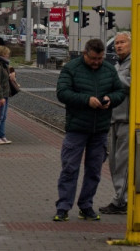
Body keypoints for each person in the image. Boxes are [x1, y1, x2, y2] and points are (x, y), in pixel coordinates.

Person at [53, 38, 127, 222]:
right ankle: (63, 207)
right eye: (93, 58)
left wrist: (110, 99)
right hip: (77, 128)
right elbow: (62, 93)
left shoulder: (109, 70)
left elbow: (120, 92)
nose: (97, 62)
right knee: (70, 168)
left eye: (100, 58)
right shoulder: (71, 68)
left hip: (100, 129)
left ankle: (86, 206)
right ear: (85, 54)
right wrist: (87, 100)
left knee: (94, 171)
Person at [99, 31, 132, 215]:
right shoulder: (120, 64)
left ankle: (123, 200)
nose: (118, 46)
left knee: (122, 163)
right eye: (117, 43)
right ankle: (120, 196)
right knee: (114, 162)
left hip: (127, 119)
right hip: (115, 118)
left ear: (131, 44)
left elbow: (132, 84)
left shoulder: (134, 63)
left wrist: (111, 78)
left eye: (123, 43)